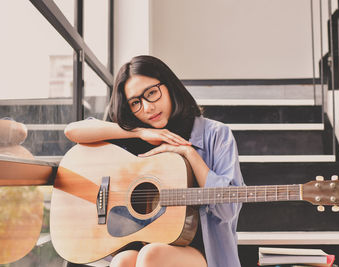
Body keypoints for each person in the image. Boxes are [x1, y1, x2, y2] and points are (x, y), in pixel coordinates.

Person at [64, 55, 244, 267]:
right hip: (139, 249)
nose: (148, 107)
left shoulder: (215, 134)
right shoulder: (133, 138)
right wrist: (138, 132)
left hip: (202, 255)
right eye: (135, 102)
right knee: (121, 261)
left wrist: (190, 154)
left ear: (169, 86)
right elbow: (73, 131)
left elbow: (228, 211)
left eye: (151, 93)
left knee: (152, 256)